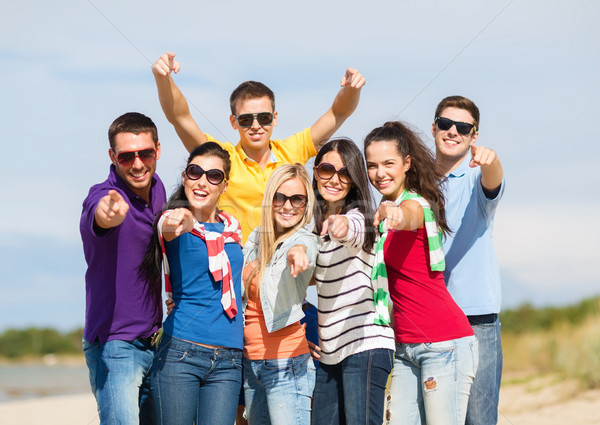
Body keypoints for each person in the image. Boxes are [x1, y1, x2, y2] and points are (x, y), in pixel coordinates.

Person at [152, 51, 365, 241]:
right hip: (237, 269)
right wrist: (163, 78)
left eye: (264, 118)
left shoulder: (292, 150)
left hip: (284, 270)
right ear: (233, 122)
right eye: (246, 120)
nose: (256, 126)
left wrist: (352, 89)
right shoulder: (221, 158)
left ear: (275, 118)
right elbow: (180, 117)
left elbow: (338, 113)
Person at [364, 121, 478, 425]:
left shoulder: (414, 203)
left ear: (407, 164)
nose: (380, 173)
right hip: (405, 347)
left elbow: (411, 215)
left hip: (443, 343)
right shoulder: (385, 209)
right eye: (372, 165)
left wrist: (396, 214)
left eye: (389, 163)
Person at [140, 142, 244, 425]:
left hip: (230, 358)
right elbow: (172, 225)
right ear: (185, 177)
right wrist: (183, 217)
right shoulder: (171, 222)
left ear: (224, 185)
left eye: (213, 176)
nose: (202, 181)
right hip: (181, 352)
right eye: (195, 172)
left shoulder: (233, 230)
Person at [80, 112, 166, 425]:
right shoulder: (103, 196)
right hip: (115, 346)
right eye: (127, 157)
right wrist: (107, 215)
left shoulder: (157, 189)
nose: (138, 164)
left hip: (155, 342)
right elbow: (99, 215)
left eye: (145, 153)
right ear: (113, 157)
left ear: (158, 149)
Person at [310, 138, 396, 425]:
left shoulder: (358, 216)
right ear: (315, 171)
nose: (335, 178)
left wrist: (341, 225)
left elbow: (354, 230)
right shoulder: (313, 227)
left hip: (366, 345)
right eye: (327, 169)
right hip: (331, 353)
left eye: (344, 173)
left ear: (354, 179)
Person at [432, 96, 504, 425]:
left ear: (474, 136)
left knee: (479, 420)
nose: (452, 131)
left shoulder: (477, 181)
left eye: (463, 127)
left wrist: (491, 160)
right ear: (434, 127)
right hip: (430, 325)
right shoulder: (416, 187)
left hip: (478, 324)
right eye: (445, 124)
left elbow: (493, 179)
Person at [242, 164, 319, 425]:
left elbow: (305, 247)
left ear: (306, 203)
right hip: (252, 364)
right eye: (280, 197)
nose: (288, 206)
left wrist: (298, 252)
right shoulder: (255, 239)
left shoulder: (304, 239)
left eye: (297, 199)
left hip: (286, 365)